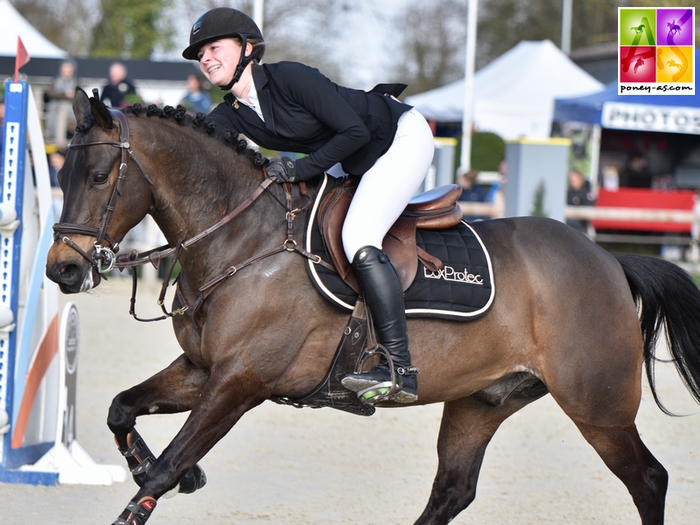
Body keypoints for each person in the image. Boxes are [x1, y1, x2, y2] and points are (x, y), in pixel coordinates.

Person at [183, 7, 435, 403]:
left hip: (396, 138)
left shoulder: (291, 78)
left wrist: (300, 169)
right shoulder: (229, 113)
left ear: (248, 48)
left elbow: (353, 130)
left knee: (358, 237)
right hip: (351, 156)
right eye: (200, 54)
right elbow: (188, 144)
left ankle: (399, 368)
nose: (206, 58)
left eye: (214, 47)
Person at [44, 60, 78, 143]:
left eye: (68, 71)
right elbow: (50, 93)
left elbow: (77, 96)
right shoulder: (55, 81)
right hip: (55, 111)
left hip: (70, 116)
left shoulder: (75, 82)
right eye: (64, 71)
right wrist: (65, 94)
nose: (66, 73)